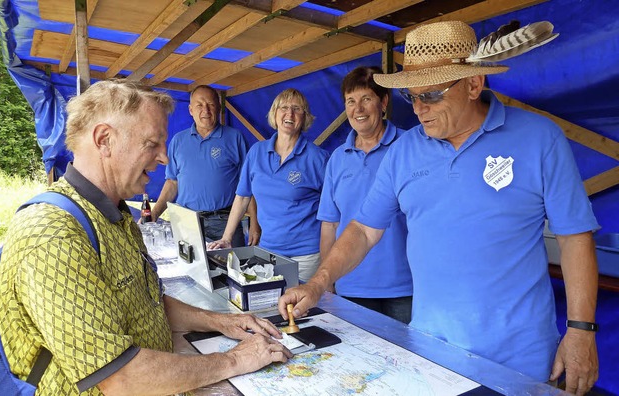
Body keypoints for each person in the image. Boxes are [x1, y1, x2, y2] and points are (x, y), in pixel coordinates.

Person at [279, 21, 599, 395]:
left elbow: (575, 236)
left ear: (474, 84)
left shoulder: (540, 138)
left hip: (520, 359)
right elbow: (364, 230)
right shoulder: (403, 152)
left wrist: (581, 330)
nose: (418, 110)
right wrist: (318, 284)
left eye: (430, 96)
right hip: (431, 354)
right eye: (411, 97)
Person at [0, 79, 291, 395]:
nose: (164, 158)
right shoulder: (54, 233)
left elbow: (147, 304)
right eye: (152, 143)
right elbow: (119, 377)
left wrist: (222, 322)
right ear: (104, 139)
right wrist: (233, 361)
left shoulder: (116, 214)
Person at [317, 66, 412, 323]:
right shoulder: (337, 159)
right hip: (351, 286)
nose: (357, 109)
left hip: (405, 287)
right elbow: (330, 224)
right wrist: (328, 279)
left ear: (383, 102)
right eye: (351, 101)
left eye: (366, 99)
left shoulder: (409, 147)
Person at [208, 88, 330, 282]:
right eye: (283, 107)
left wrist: (328, 262)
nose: (289, 114)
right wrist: (226, 237)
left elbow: (331, 212)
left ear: (305, 117)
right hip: (268, 251)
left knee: (302, 309)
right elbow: (242, 197)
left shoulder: (318, 158)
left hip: (306, 256)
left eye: (296, 109)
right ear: (274, 113)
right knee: (270, 306)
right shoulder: (256, 152)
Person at [150, 85, 260, 247]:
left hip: (225, 222)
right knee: (189, 269)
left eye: (211, 105)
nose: (206, 110)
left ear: (219, 108)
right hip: (187, 222)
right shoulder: (178, 141)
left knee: (231, 270)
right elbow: (172, 182)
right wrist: (154, 214)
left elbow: (248, 185)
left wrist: (255, 224)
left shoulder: (234, 138)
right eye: (199, 105)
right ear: (190, 110)